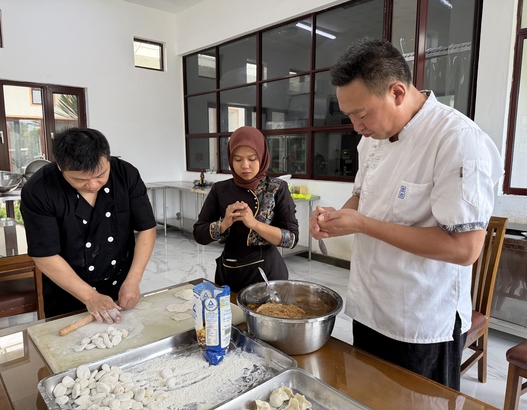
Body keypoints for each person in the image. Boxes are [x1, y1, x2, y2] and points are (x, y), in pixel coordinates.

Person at [309, 38, 503, 390]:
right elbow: (362, 195)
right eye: (349, 116)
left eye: (361, 114)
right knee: (367, 396)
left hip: (421, 323)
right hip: (370, 308)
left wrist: (363, 224)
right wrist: (337, 219)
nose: (356, 127)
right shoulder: (374, 136)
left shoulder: (457, 139)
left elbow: (464, 249)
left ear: (397, 92)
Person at [21, 127, 157, 323]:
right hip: (67, 291)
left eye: (101, 175)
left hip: (120, 285)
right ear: (60, 167)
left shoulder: (126, 174)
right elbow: (44, 255)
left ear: (108, 159)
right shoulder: (39, 190)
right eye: (80, 179)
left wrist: (133, 279)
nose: (93, 185)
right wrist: (90, 297)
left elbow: (146, 228)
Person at [193, 126, 299, 293]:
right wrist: (223, 224)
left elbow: (291, 238)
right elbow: (199, 234)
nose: (245, 165)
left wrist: (254, 224)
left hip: (267, 276)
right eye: (237, 159)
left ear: (262, 157)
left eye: (252, 159)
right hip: (229, 273)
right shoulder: (220, 190)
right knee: (230, 310)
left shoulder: (277, 188)